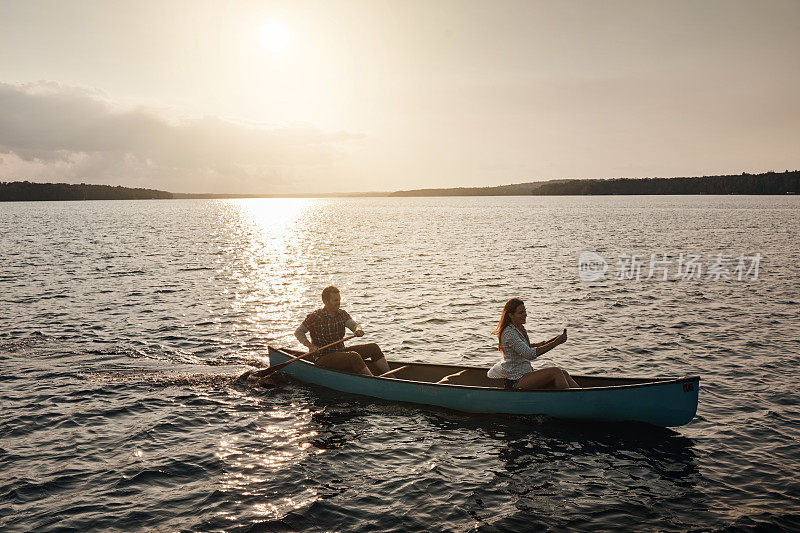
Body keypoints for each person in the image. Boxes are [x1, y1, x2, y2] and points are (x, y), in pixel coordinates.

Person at [294, 286, 390, 376]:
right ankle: (374, 382)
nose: (338, 303)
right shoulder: (315, 317)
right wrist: (310, 346)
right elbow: (298, 332)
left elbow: (355, 325)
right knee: (353, 357)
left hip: (340, 352)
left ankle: (391, 377)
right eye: (335, 300)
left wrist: (358, 330)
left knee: (373, 348)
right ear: (325, 301)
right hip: (323, 357)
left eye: (339, 300)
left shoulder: (342, 314)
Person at [487, 298, 580, 390]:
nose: (525, 315)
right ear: (511, 315)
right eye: (521, 313)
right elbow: (529, 354)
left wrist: (553, 340)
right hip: (515, 379)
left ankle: (581, 397)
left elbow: (525, 347)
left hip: (526, 373)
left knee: (564, 373)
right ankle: (570, 401)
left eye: (525, 311)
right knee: (556, 372)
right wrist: (556, 343)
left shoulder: (520, 328)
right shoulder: (509, 333)